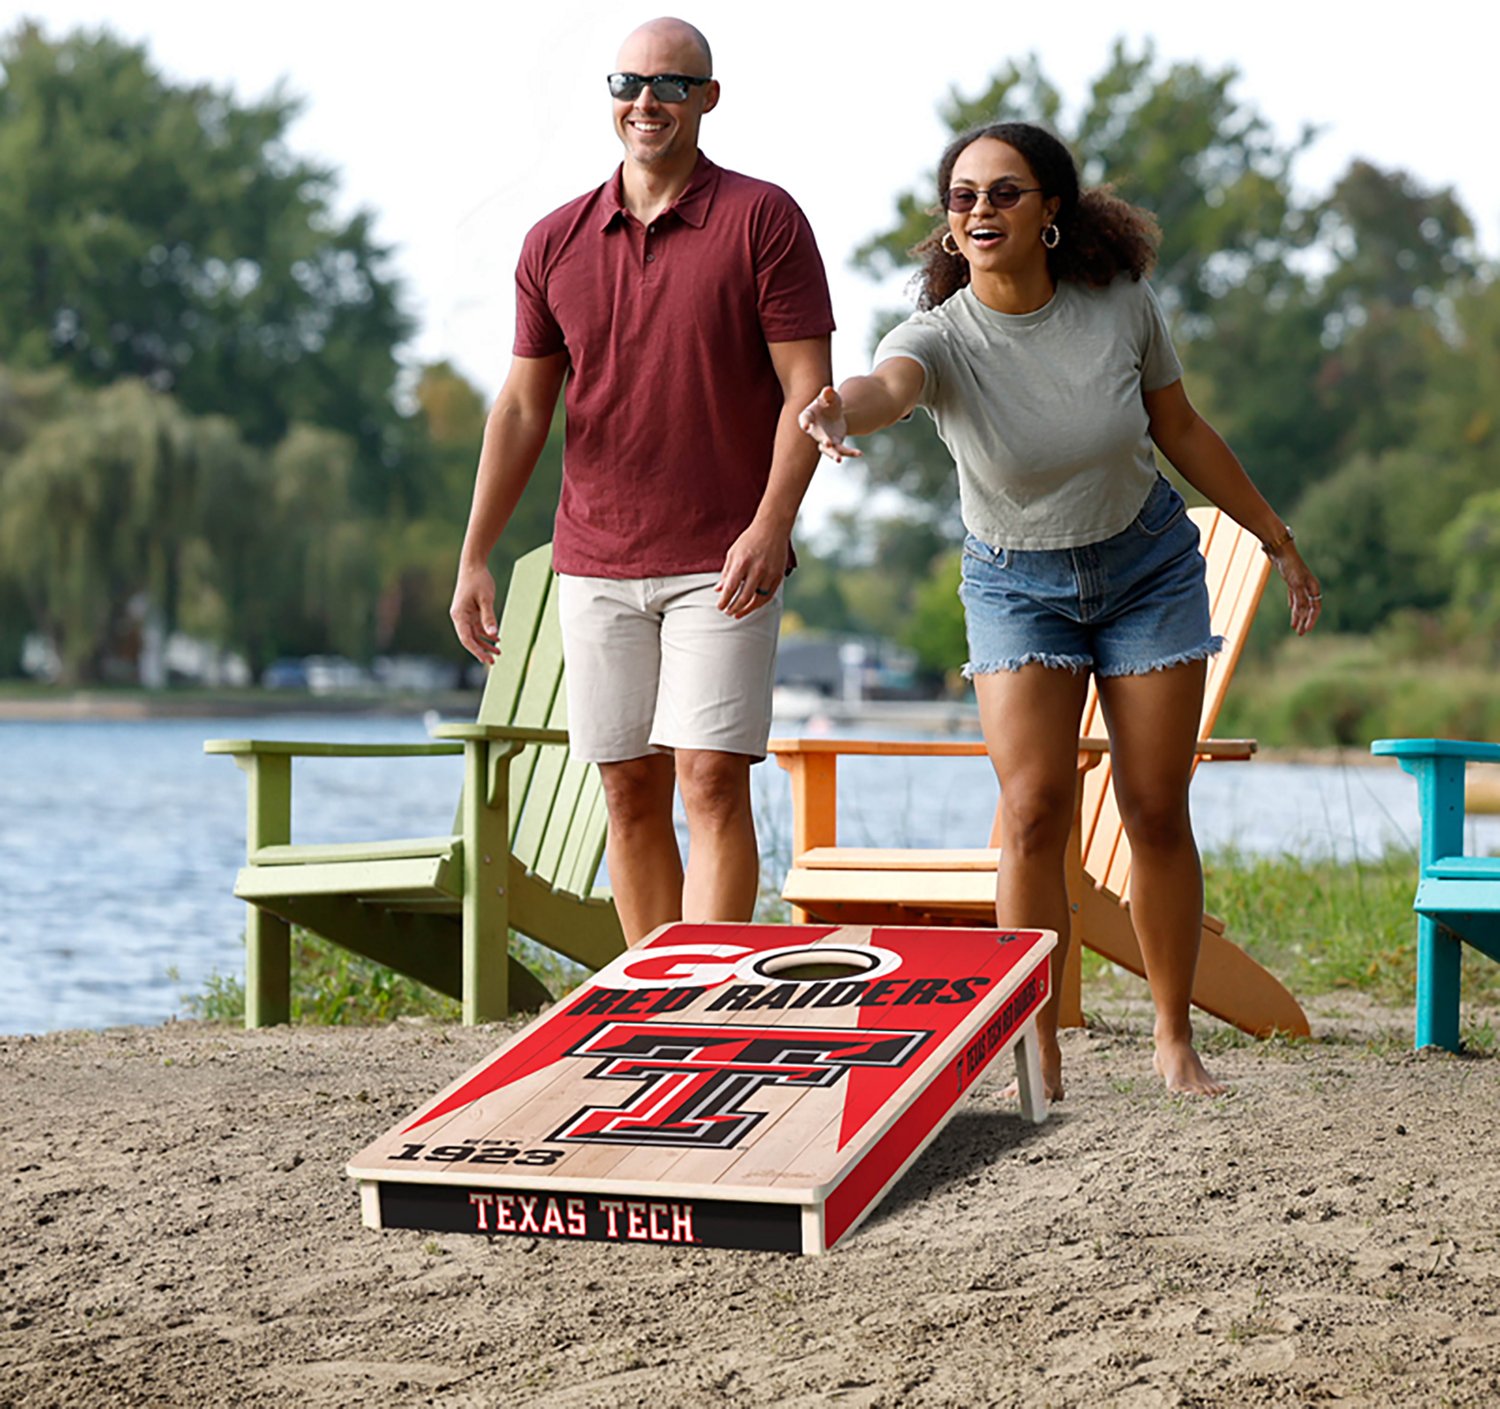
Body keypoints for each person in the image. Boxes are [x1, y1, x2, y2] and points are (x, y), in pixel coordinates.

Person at [799, 122, 1320, 1097]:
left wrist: (1272, 534)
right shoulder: (938, 337)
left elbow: (1181, 428)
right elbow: (885, 386)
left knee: (1155, 807)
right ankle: (1034, 1046)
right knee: (1034, 809)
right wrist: (837, 410)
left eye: (1004, 192)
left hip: (1148, 570)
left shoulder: (1119, 305)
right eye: (962, 197)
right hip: (1013, 584)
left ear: (1050, 212)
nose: (981, 211)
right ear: (948, 227)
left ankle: (1173, 1040)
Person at [450, 17, 833, 947]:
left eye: (670, 84)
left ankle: (708, 1005)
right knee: (627, 785)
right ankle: (656, 1000)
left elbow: (808, 393)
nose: (646, 101)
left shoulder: (762, 219)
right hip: (596, 557)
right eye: (629, 83)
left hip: (725, 557)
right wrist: (474, 556)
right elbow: (519, 412)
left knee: (709, 775)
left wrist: (772, 524)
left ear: (709, 97)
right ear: (612, 98)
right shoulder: (554, 241)